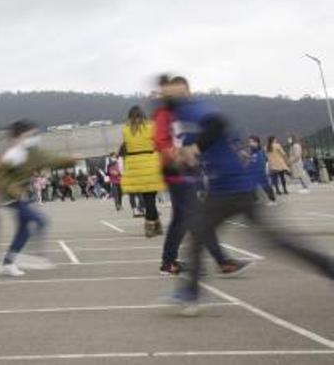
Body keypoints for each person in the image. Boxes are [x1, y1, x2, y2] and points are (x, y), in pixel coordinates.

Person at [164, 90, 332, 315]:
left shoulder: (192, 109)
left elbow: (218, 123)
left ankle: (190, 294)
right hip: (227, 189)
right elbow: (197, 154)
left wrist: (194, 149)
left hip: (232, 188)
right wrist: (181, 160)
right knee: (273, 240)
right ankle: (190, 294)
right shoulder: (183, 125)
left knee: (203, 233)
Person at [151, 76, 248, 276]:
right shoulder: (165, 113)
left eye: (182, 92)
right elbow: (160, 140)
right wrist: (177, 157)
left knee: (182, 219)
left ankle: (168, 262)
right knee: (197, 217)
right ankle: (222, 261)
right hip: (176, 172)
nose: (179, 96)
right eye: (173, 92)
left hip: (188, 171)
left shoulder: (187, 112)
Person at [0, 121, 75, 276]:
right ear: (17, 138)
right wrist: (15, 190)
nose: (33, 138)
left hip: (22, 196)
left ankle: (7, 263)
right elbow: (0, 176)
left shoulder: (33, 152)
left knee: (23, 231)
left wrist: (71, 160)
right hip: (10, 196)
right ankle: (35, 254)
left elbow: (51, 160)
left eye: (34, 135)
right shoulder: (12, 155)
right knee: (40, 220)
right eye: (29, 135)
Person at [118, 106, 165, 237]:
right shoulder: (151, 127)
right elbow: (157, 143)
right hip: (150, 162)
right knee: (151, 197)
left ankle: (157, 225)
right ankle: (150, 225)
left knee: (147, 197)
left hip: (135, 165)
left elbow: (126, 147)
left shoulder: (126, 130)